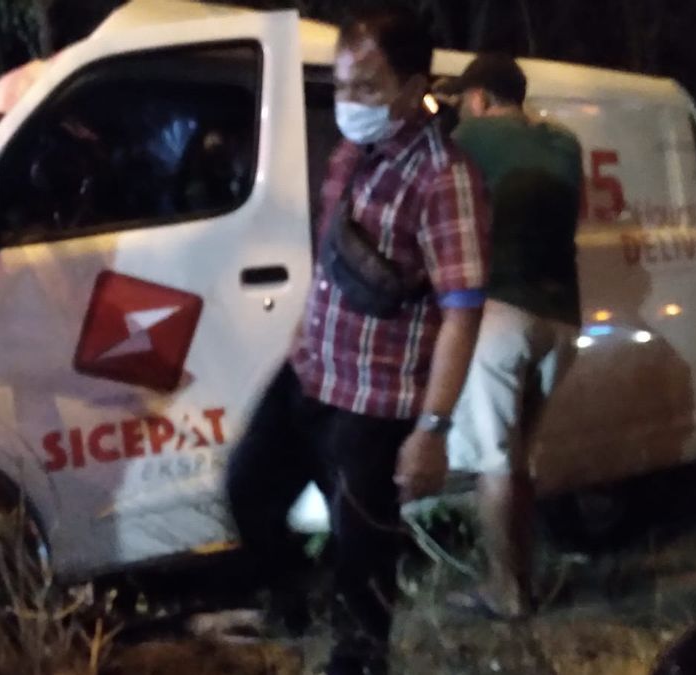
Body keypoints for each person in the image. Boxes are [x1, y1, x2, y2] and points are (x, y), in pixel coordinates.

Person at [225, 11, 489, 675]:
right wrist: (301, 332)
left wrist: (431, 428)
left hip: (376, 402)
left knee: (364, 560)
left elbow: (462, 310)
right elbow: (334, 260)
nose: (351, 103)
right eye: (343, 85)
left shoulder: (442, 177)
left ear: (413, 85)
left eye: (368, 87)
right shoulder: (354, 156)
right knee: (248, 489)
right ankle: (293, 603)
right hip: (311, 375)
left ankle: (359, 662)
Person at [440, 54, 584, 619]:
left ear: (478, 98)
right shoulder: (564, 143)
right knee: (518, 456)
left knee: (493, 462)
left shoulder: (467, 136)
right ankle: (519, 579)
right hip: (562, 317)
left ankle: (506, 592)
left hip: (500, 314)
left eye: (460, 100)